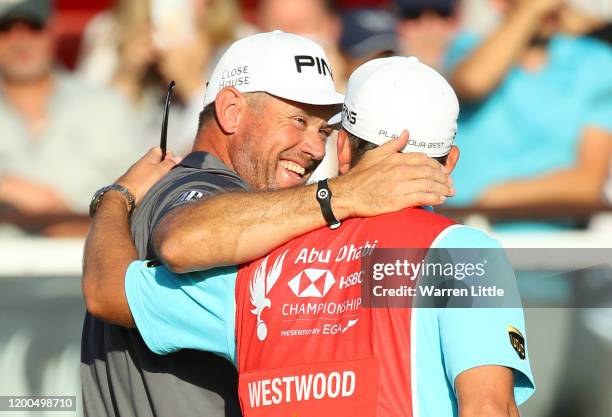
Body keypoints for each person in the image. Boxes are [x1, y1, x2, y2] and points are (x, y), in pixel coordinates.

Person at [83, 57, 535, 417]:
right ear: (450, 161)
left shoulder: (260, 266)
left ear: (341, 147)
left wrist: (115, 196)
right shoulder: (464, 255)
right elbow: (489, 407)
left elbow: (107, 291)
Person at [445, 0, 612, 216]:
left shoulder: (595, 61)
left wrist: (496, 198)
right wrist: (530, 10)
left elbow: (587, 184)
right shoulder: (466, 47)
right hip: (464, 231)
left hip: (551, 237)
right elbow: (473, 82)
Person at [0, 0, 138, 236]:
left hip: (86, 266)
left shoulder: (106, 106)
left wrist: (67, 222)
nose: (20, 41)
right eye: (6, 28)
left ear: (54, 30)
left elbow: (144, 195)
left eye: (34, 27)